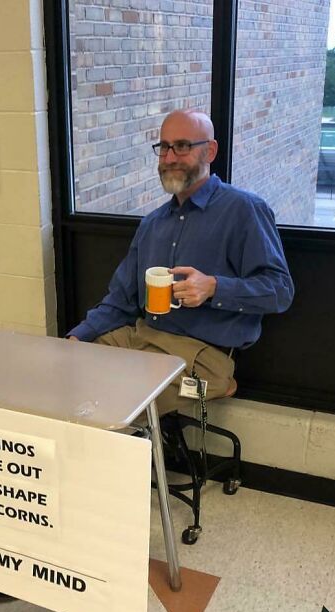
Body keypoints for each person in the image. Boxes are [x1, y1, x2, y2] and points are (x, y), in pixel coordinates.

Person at [68, 109, 294, 416]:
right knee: (71, 377)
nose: (170, 157)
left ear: (210, 151)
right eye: (164, 147)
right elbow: (120, 300)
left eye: (183, 146)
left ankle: (212, 385)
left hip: (200, 355)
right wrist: (76, 338)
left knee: (115, 404)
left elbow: (280, 291)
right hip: (141, 338)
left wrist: (214, 287)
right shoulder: (152, 224)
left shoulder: (243, 210)